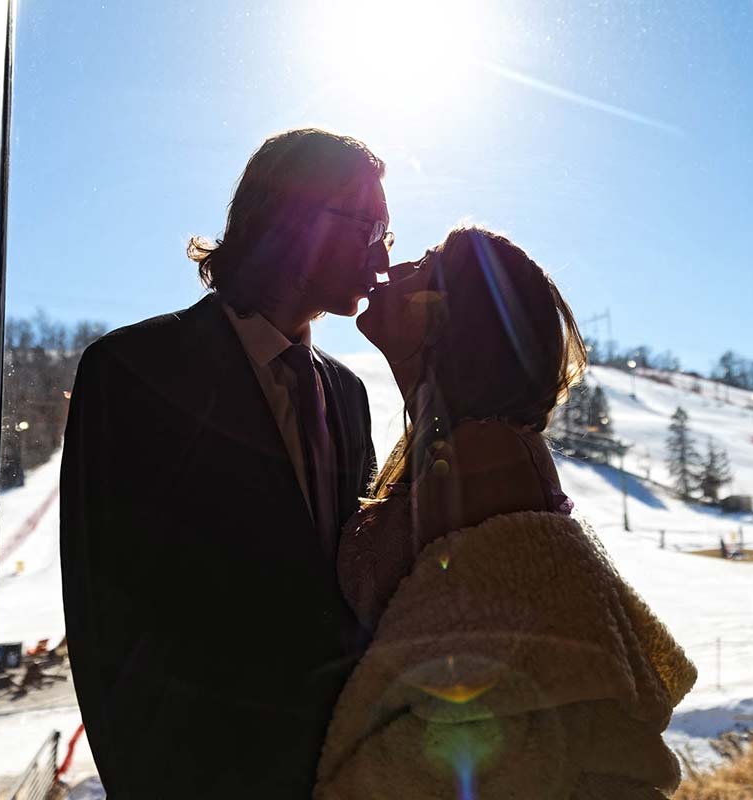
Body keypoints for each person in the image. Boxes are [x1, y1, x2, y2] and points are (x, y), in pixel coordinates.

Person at [60, 128, 390, 798]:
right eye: (371, 227)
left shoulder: (348, 395)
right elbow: (105, 624)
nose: (383, 257)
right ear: (295, 219)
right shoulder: (132, 372)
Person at [316, 228, 697, 798]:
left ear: (449, 318)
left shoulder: (483, 456)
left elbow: (485, 699)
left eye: (421, 265)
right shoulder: (445, 446)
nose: (390, 270)